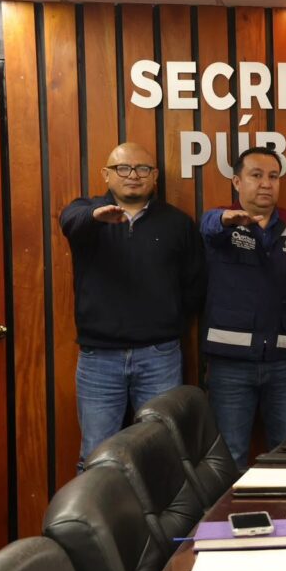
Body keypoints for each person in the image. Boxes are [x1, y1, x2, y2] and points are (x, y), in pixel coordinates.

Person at [60, 142, 205, 469]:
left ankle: (156, 507)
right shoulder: (86, 213)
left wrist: (168, 320)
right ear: (106, 175)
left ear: (155, 176)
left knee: (162, 452)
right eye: (123, 168)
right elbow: (70, 221)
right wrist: (96, 216)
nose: (133, 175)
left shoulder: (177, 222)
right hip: (99, 358)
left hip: (159, 355)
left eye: (143, 169)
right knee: (96, 456)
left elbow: (195, 283)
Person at [200, 146, 286, 470]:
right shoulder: (221, 222)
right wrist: (226, 220)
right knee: (230, 457)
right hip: (230, 365)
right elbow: (208, 224)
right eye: (256, 175)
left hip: (284, 363)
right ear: (237, 182)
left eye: (273, 176)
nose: (266, 183)